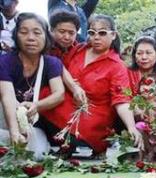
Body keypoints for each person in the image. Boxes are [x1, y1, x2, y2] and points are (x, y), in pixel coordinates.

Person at [41, 14, 143, 158]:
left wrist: (131, 126)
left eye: (102, 33)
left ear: (113, 35)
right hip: (66, 102)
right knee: (44, 94)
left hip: (93, 113)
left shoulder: (117, 66)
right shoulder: (78, 49)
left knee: (82, 136)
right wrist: (72, 87)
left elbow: (122, 100)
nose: (96, 37)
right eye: (91, 32)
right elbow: (59, 66)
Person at [0, 12, 65, 158]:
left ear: (46, 37)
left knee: (38, 154)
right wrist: (14, 132)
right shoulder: (5, 62)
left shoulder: (51, 63)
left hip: (30, 122)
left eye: (37, 32)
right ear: (16, 35)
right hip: (4, 117)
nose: (30, 38)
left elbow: (59, 94)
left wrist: (37, 105)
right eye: (24, 32)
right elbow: (7, 97)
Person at [49, 10, 87, 106]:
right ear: (52, 30)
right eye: (62, 32)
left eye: (71, 33)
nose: (66, 37)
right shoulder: (45, 48)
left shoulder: (79, 49)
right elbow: (58, 66)